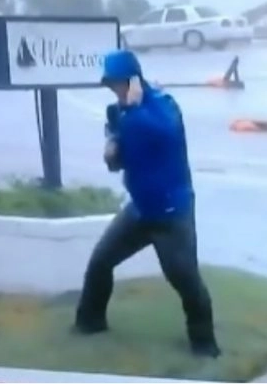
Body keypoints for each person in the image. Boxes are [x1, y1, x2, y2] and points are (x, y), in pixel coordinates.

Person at [74, 50, 220, 358]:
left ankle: (205, 345)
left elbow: (163, 135)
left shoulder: (164, 107)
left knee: (184, 278)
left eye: (119, 83)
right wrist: (112, 149)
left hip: (171, 214)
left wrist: (134, 108)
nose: (115, 90)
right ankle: (90, 323)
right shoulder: (120, 112)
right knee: (101, 261)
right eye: (111, 85)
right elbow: (117, 155)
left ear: (134, 80)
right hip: (140, 210)